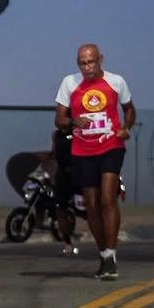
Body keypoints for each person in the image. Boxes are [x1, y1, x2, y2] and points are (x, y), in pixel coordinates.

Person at [55, 44, 135, 280]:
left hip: (111, 146)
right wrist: (72, 121)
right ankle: (103, 253)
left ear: (100, 59)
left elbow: (129, 109)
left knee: (107, 199)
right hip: (82, 150)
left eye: (91, 61)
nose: (87, 67)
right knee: (91, 205)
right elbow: (59, 118)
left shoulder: (116, 81)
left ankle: (111, 256)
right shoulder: (69, 83)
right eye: (82, 63)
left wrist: (125, 128)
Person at [49, 128, 79, 256]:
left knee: (91, 207)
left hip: (79, 173)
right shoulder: (56, 134)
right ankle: (67, 243)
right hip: (62, 175)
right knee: (60, 210)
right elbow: (54, 153)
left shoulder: (78, 132)